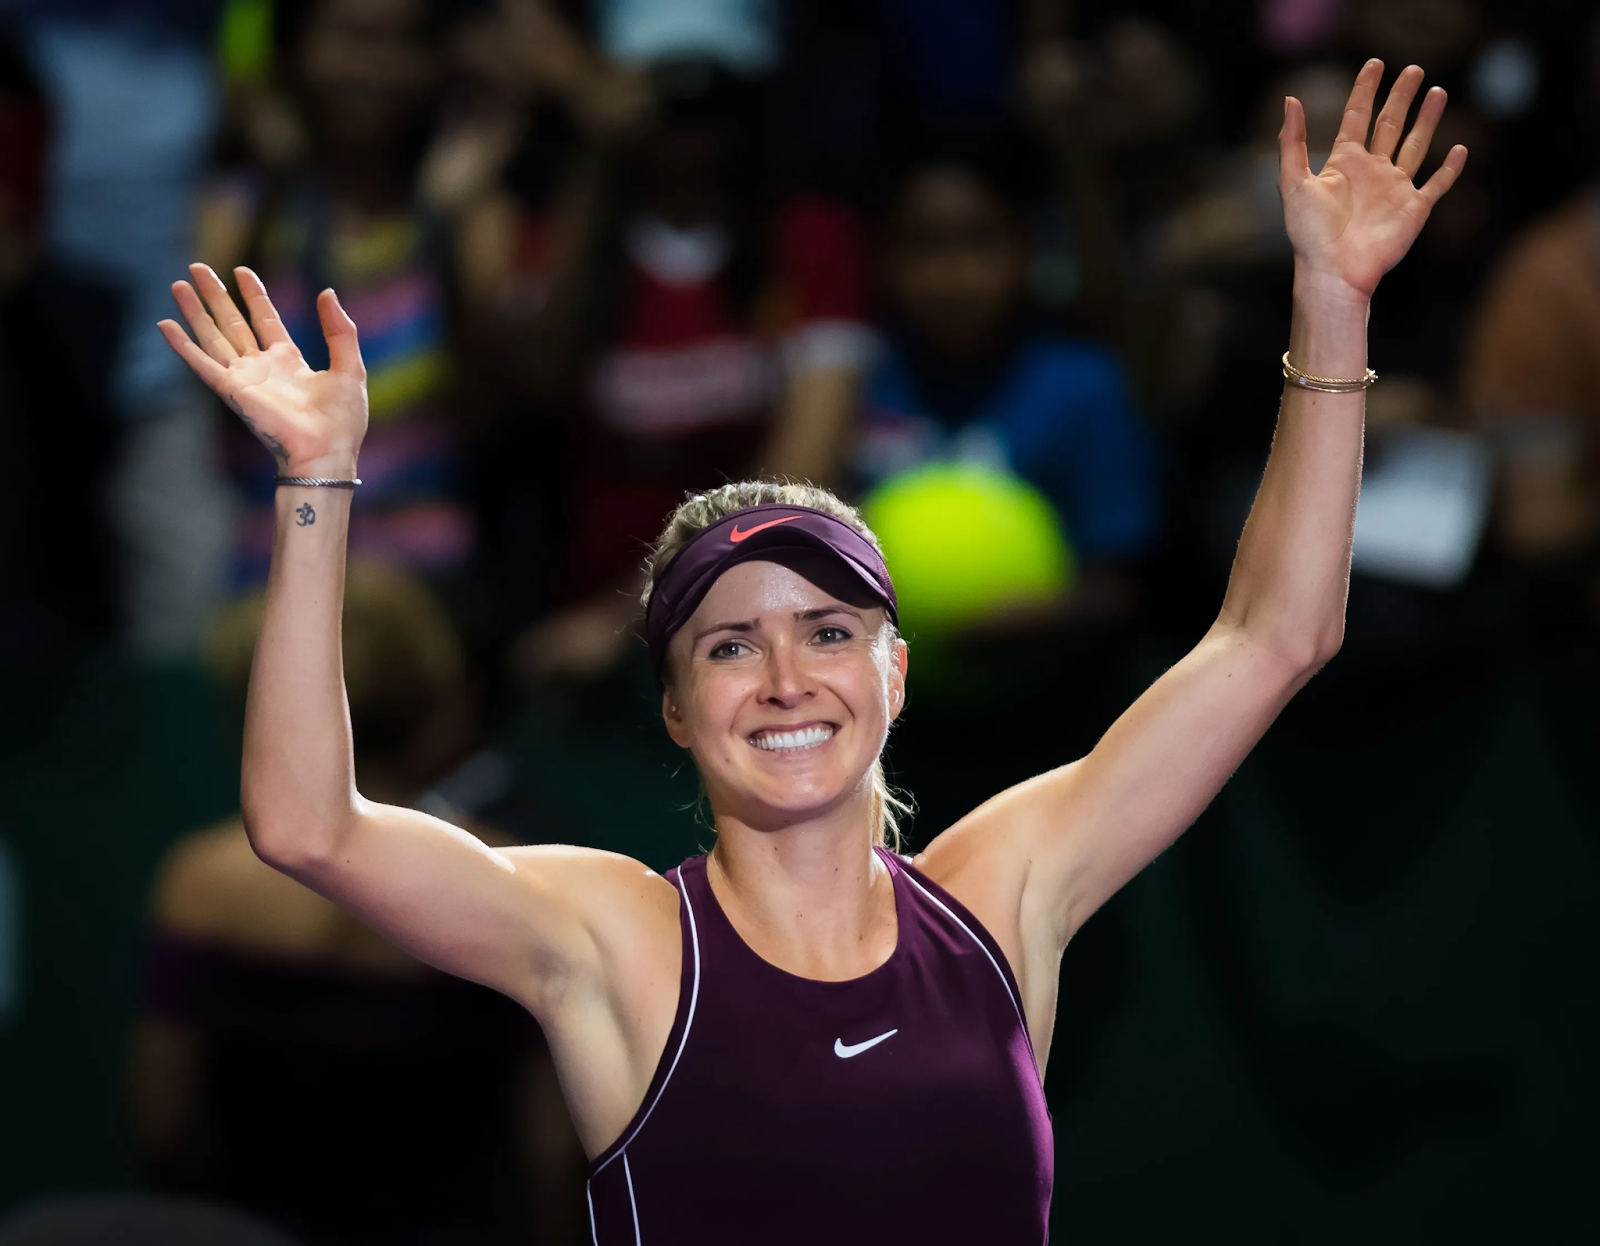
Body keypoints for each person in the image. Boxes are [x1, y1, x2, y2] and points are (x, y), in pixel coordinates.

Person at [156, 60, 1467, 1242]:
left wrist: (1332, 299)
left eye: (829, 630)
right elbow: (308, 826)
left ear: (893, 674)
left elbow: (1278, 634)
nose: (787, 677)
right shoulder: (612, 937)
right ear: (675, 709)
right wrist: (317, 475)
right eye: (730, 644)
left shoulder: (1003, 892)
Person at [132, 560, 586, 1245]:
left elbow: (162, 1127)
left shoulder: (200, 884)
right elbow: (551, 1155)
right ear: (433, 701)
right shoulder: (515, 882)